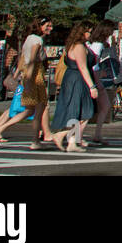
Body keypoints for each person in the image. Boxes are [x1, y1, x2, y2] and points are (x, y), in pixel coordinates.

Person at [0, 16, 55, 149]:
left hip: (31, 77)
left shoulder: (29, 39)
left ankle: (35, 140)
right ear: (40, 26)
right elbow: (31, 61)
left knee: (33, 110)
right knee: (37, 109)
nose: (50, 28)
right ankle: (0, 129)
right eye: (47, 25)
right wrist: (29, 82)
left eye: (51, 26)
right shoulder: (37, 40)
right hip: (35, 78)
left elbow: (23, 60)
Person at [52, 22, 98, 152]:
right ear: (82, 32)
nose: (90, 34)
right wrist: (92, 86)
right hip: (77, 80)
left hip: (74, 78)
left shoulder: (77, 45)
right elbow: (83, 67)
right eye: (88, 31)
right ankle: (62, 136)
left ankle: (71, 142)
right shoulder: (78, 46)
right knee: (81, 110)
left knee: (79, 111)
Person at [87, 21, 122, 145]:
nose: (112, 32)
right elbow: (94, 65)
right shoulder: (98, 45)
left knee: (102, 106)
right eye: (111, 30)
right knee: (102, 107)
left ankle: (97, 134)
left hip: (95, 79)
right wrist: (98, 83)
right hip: (96, 80)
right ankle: (94, 134)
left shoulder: (97, 43)